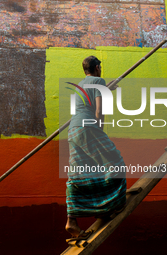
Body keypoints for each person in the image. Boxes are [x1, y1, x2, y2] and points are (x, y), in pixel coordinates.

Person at [65, 56, 126, 240]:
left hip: (74, 130)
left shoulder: (81, 85)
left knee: (79, 172)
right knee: (115, 162)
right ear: (98, 68)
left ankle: (72, 221)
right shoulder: (98, 81)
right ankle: (112, 205)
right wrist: (100, 129)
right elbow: (99, 111)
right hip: (88, 128)